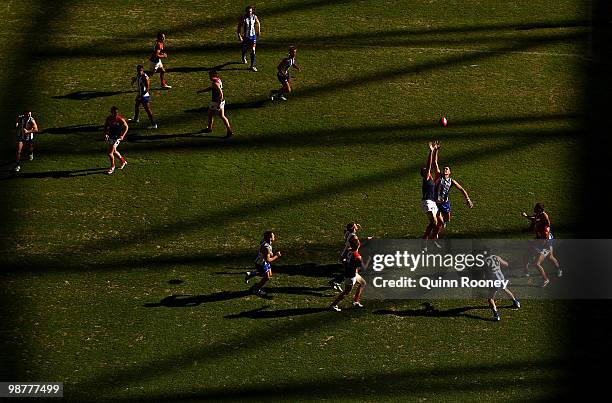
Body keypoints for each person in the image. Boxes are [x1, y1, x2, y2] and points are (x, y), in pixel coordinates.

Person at [432, 141, 473, 239]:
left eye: (447, 169)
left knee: (448, 219)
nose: (445, 169)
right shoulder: (438, 176)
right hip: (435, 202)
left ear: (450, 172)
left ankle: (442, 224)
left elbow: (461, 189)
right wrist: (436, 151)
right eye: (444, 168)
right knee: (437, 221)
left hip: (445, 202)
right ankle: (435, 233)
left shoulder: (452, 181)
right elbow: (435, 163)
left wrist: (468, 199)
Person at [522, 203, 563, 286]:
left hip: (545, 244)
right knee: (527, 255)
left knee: (538, 262)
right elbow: (533, 222)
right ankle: (526, 271)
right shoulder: (538, 217)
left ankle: (546, 279)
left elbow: (544, 242)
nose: (534, 209)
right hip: (540, 241)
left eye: (536, 208)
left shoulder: (544, 230)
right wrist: (526, 223)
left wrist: (536, 247)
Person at [330, 236, 366, 311]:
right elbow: (363, 268)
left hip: (351, 273)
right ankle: (333, 305)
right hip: (351, 276)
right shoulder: (358, 257)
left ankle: (355, 301)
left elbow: (343, 259)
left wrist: (345, 264)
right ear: (358, 245)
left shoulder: (349, 250)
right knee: (346, 292)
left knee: (363, 283)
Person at [484, 253, 520, 322]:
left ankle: (496, 315)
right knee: (505, 289)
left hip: (495, 280)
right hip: (501, 277)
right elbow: (506, 264)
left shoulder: (485, 261)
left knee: (490, 299)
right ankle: (516, 302)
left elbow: (484, 274)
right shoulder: (496, 257)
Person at [196, 70, 233, 137]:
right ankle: (228, 130)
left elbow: (221, 93)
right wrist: (202, 91)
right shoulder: (218, 80)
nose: (209, 77)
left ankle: (212, 129)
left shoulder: (215, 83)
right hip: (221, 101)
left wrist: (218, 104)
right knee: (217, 115)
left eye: (210, 76)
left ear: (213, 75)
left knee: (214, 115)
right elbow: (211, 88)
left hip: (216, 102)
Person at [245, 231, 282, 297]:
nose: (274, 236)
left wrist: (270, 253)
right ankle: (256, 290)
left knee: (269, 274)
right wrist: (277, 256)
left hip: (263, 262)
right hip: (261, 263)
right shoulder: (266, 248)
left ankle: (251, 274)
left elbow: (261, 243)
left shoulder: (266, 242)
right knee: (266, 277)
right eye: (273, 236)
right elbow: (268, 260)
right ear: (270, 238)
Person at [421, 142, 439, 240]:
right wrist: (431, 151)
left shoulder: (432, 179)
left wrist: (436, 151)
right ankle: (430, 238)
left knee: (435, 222)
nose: (427, 170)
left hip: (433, 202)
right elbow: (429, 165)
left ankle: (427, 238)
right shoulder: (426, 178)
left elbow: (434, 164)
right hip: (427, 202)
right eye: (425, 170)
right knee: (434, 222)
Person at [130, 65, 158, 129]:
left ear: (143, 70)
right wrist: (133, 80)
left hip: (144, 96)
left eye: (140, 70)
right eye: (138, 70)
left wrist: (141, 96)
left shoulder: (145, 77)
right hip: (140, 95)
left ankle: (154, 124)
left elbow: (147, 88)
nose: (139, 71)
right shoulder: (138, 75)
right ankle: (136, 119)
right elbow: (137, 78)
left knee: (148, 110)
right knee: (136, 105)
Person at [103, 106, 129, 175]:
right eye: (114, 113)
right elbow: (105, 126)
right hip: (111, 137)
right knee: (114, 152)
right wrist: (105, 134)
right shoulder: (109, 119)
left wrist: (122, 135)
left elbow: (126, 127)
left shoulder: (120, 119)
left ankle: (112, 167)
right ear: (111, 113)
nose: (116, 114)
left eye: (117, 112)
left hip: (117, 138)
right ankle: (123, 161)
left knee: (110, 153)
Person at [237, 5, 261, 72]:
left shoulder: (254, 17)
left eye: (250, 11)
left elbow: (258, 22)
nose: (249, 13)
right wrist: (239, 35)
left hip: (253, 36)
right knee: (245, 49)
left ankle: (252, 66)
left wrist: (258, 30)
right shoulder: (243, 18)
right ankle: (243, 56)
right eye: (248, 11)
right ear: (246, 11)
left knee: (253, 50)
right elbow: (239, 26)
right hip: (246, 37)